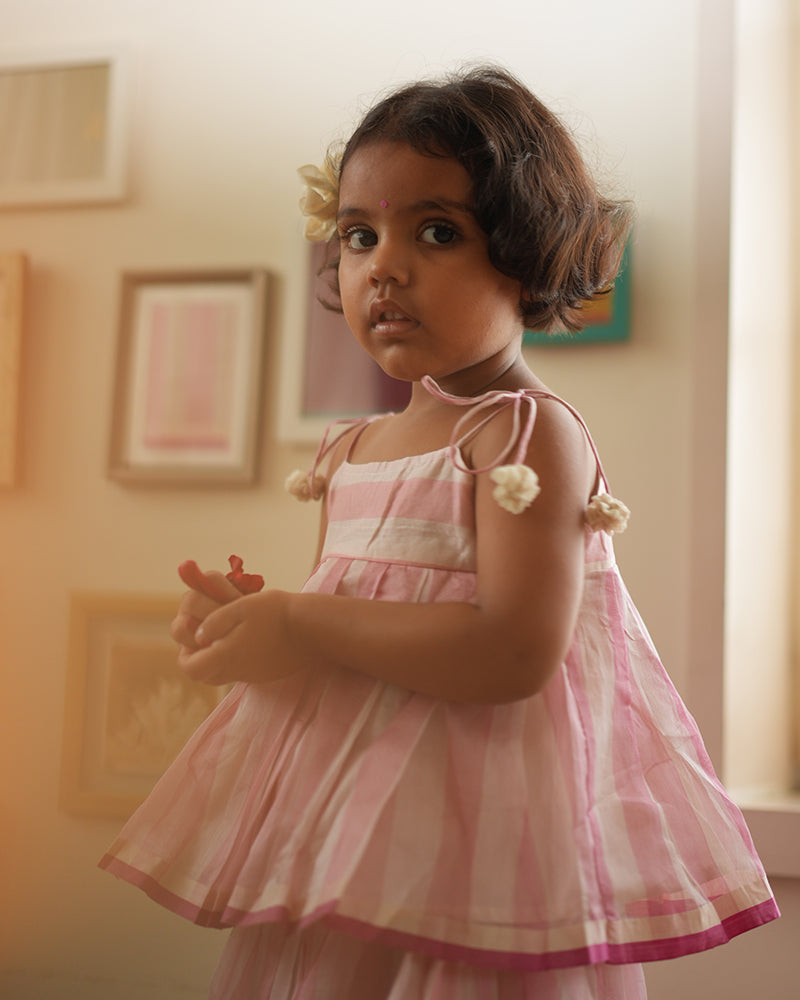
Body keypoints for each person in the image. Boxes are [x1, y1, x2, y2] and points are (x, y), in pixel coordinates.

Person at [100, 66, 779, 999]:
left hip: (476, 858)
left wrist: (303, 623)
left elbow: (512, 652)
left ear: (526, 250)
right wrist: (256, 639)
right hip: (348, 841)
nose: (384, 264)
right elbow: (347, 646)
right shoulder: (353, 448)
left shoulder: (522, 434)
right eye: (358, 234)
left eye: (436, 231)